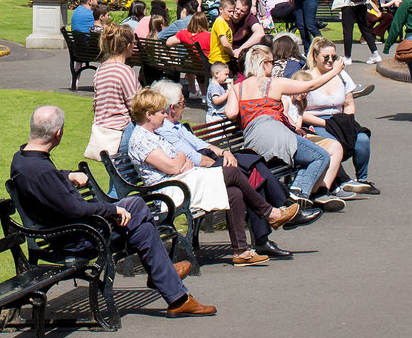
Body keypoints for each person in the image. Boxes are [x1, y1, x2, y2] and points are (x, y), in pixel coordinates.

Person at [10, 105, 215, 317]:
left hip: (68, 231)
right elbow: (76, 209)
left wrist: (67, 175)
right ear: (58, 133)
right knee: (135, 206)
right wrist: (112, 209)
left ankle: (178, 299)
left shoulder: (23, 158)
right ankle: (165, 276)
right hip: (75, 239)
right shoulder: (41, 170)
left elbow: (45, 182)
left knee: (143, 230)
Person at [124, 88, 292, 266]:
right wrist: (180, 159)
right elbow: (174, 165)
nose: (165, 116)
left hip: (184, 180)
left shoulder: (154, 134)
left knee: (234, 192)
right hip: (170, 191)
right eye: (161, 112)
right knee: (233, 172)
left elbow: (183, 160)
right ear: (149, 114)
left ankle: (241, 251)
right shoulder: (141, 140)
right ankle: (269, 212)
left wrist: (180, 160)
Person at [222, 44, 346, 205]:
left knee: (310, 157)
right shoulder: (273, 83)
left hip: (253, 140)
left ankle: (301, 191)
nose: (273, 67)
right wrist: (334, 71)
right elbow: (309, 85)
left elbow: (230, 113)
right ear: (263, 63)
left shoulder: (237, 88)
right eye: (272, 62)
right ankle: (298, 194)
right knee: (321, 156)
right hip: (276, 134)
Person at [300, 41, 378, 196]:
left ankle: (362, 180)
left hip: (340, 120)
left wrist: (347, 120)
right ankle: (339, 182)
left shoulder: (342, 75)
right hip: (317, 121)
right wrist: (325, 123)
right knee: (333, 144)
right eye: (326, 57)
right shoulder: (307, 77)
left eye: (333, 57)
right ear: (315, 56)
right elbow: (299, 111)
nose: (330, 60)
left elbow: (349, 103)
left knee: (362, 139)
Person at [84, 27, 139, 161]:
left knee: (115, 175)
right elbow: (135, 106)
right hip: (121, 130)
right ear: (128, 46)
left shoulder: (101, 69)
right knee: (124, 177)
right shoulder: (125, 71)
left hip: (102, 128)